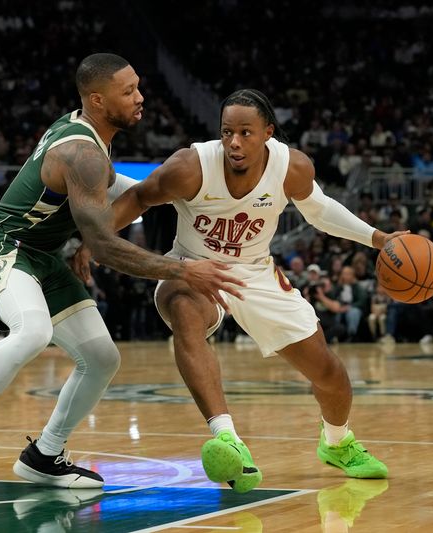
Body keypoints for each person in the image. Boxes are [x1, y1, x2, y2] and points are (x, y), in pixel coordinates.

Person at [0, 53, 243, 490]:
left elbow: (113, 189)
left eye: (138, 86)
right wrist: (181, 270)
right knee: (31, 331)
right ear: (98, 101)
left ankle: (44, 454)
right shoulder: (82, 153)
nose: (141, 98)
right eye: (129, 92)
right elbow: (103, 245)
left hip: (43, 257)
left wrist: (172, 192)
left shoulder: (89, 135)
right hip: (3, 246)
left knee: (102, 357)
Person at [106, 89, 402, 492]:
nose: (234, 142)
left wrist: (379, 238)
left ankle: (337, 443)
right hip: (194, 267)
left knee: (330, 374)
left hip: (257, 274)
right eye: (227, 132)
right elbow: (139, 197)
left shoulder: (290, 167)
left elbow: (321, 211)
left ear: (268, 133)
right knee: (186, 317)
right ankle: (228, 439)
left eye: (245, 132)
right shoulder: (191, 166)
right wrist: (95, 240)